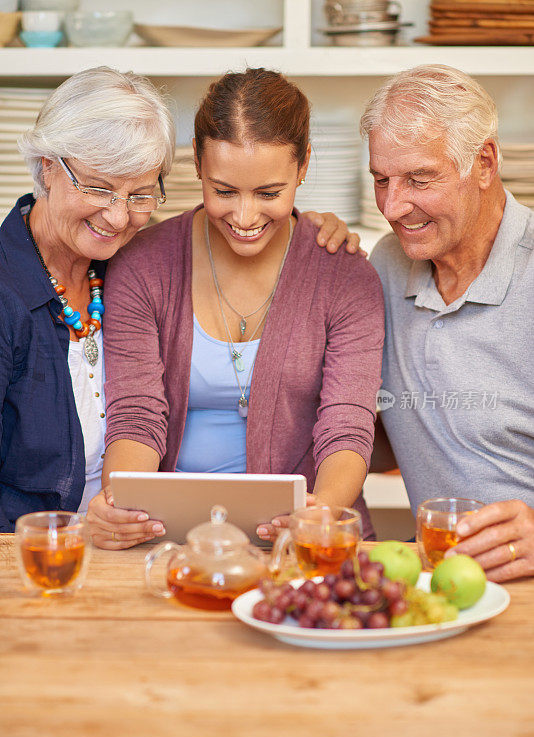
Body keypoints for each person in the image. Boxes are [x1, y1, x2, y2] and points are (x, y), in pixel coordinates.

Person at [0, 65, 362, 532]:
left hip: (124, 534)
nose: (117, 216)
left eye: (140, 194)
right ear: (48, 168)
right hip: (28, 552)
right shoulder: (18, 290)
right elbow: (137, 414)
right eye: (98, 188)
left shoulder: (117, 261)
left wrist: (303, 224)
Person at [87, 67, 385, 549]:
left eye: (269, 194)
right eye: (224, 191)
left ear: (304, 165)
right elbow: (136, 412)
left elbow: (347, 424)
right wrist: (124, 501)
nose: (245, 218)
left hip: (309, 535)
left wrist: (323, 512)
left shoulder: (345, 277)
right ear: (198, 165)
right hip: (169, 537)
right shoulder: (142, 266)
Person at [360, 64, 534, 581]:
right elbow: (399, 425)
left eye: (419, 179)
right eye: (381, 180)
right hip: (440, 580)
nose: (394, 206)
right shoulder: (388, 265)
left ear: (484, 163)